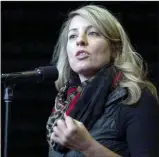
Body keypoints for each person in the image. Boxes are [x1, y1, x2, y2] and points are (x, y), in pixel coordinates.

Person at [46, 4, 159, 157]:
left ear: (115, 48)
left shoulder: (134, 97)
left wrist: (88, 146)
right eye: (72, 36)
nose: (80, 40)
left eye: (92, 33)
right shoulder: (63, 106)